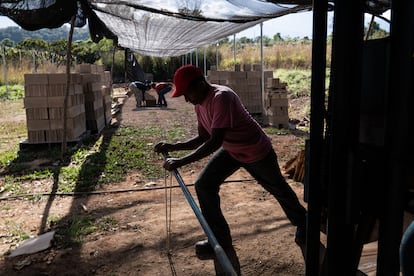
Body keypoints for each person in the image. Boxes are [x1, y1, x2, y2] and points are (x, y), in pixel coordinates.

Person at [154, 64, 307, 275]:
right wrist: (174, 146)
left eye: (187, 94)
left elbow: (215, 141)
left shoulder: (221, 97)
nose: (187, 100)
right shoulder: (199, 104)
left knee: (278, 188)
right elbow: (203, 137)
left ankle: (304, 223)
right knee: (204, 185)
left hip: (256, 151)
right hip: (232, 150)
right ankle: (220, 239)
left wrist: (180, 161)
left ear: (199, 84)